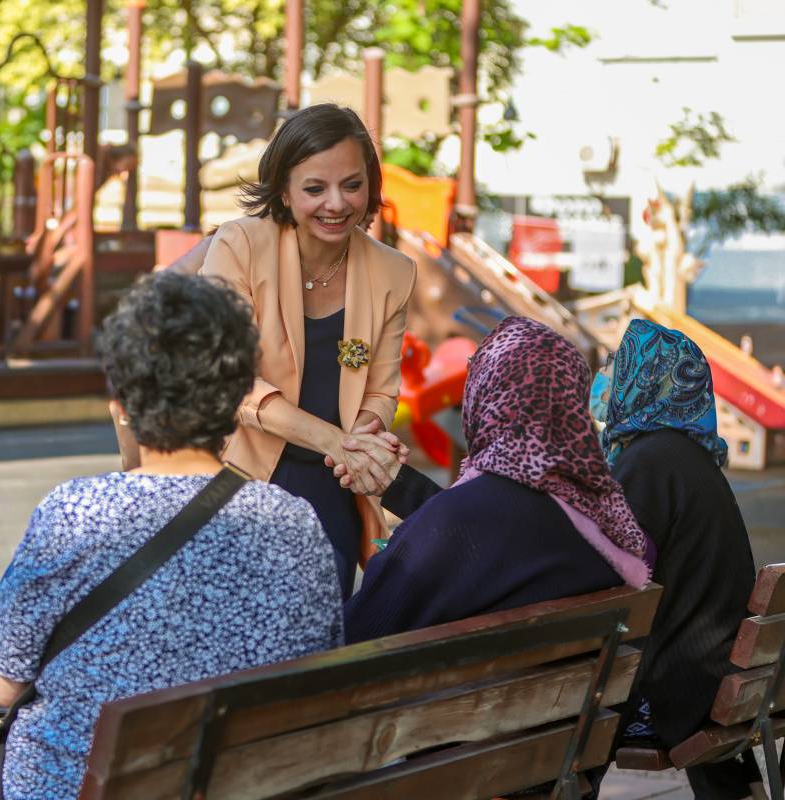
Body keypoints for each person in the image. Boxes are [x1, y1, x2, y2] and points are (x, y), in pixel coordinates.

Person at [0, 272, 344, 800]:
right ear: (235, 400)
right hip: (246, 784)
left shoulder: (77, 512)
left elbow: (2, 685)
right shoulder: (294, 522)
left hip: (80, 785)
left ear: (121, 404)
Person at [198, 103, 416, 597]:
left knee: (317, 650)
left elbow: (381, 392)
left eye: (353, 185)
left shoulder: (393, 272)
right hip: (236, 476)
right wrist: (335, 441)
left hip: (331, 489)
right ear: (283, 190)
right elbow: (225, 381)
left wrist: (362, 442)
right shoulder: (239, 246)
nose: (336, 204)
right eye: (315, 188)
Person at [341, 316, 652, 641]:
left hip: (451, 690)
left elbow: (357, 633)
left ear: (486, 394)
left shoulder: (457, 521)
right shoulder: (598, 519)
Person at [592, 318, 761, 799]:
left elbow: (611, 580)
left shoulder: (645, 464)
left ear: (642, 377)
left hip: (679, 691)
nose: (605, 376)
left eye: (614, 364)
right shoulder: (688, 458)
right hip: (721, 677)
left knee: (561, 712)